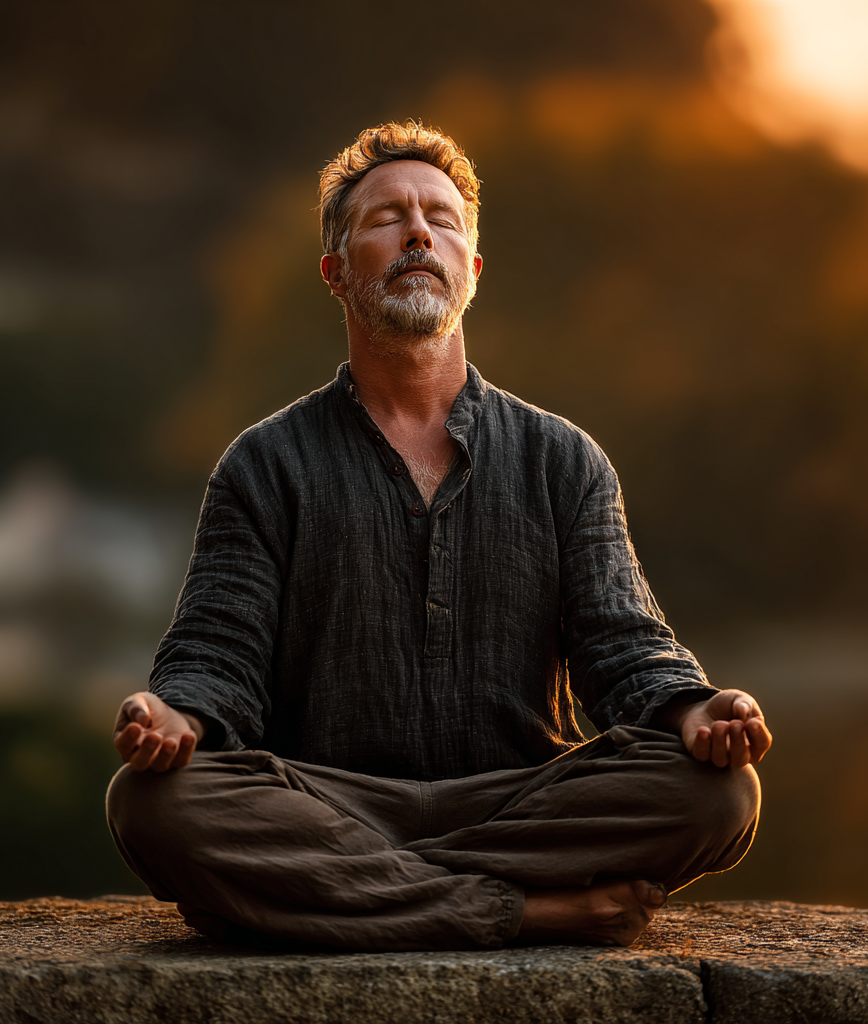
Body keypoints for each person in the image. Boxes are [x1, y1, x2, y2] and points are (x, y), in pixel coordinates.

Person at [107, 122, 771, 952]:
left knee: (719, 793)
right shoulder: (265, 463)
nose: (420, 231)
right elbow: (219, 652)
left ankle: (323, 892)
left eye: (443, 219)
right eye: (387, 218)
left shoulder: (563, 460)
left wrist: (694, 705)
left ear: (473, 271)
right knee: (152, 803)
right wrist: (176, 716)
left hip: (521, 799)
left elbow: (621, 646)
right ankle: (526, 911)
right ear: (336, 273)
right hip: (325, 799)